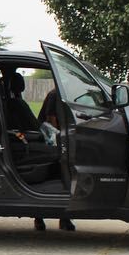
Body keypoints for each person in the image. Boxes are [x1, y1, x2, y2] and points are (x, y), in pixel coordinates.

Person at [34, 86, 76, 232]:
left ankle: (63, 218)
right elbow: (50, 119)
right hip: (50, 136)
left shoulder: (64, 95)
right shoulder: (54, 95)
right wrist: (59, 138)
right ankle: (39, 217)